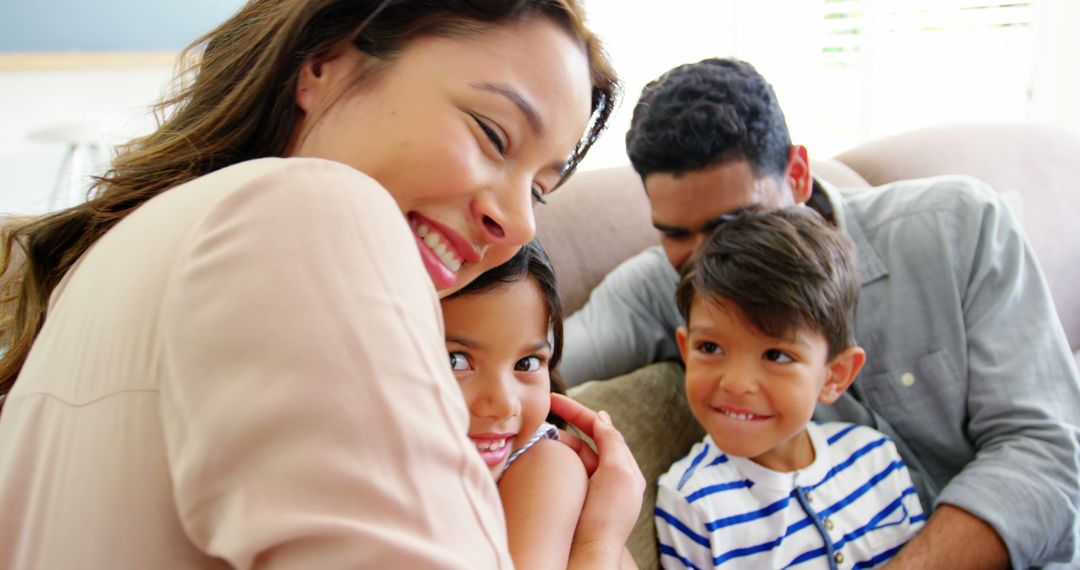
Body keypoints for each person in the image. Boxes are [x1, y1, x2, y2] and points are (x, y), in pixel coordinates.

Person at [0, 1, 646, 568]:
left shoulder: (107, 262)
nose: (517, 224)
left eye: (539, 189)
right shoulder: (308, 207)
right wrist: (595, 545)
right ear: (327, 61)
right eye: (492, 132)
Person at [560, 57, 1080, 568]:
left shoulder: (958, 227)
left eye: (734, 219)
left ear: (799, 175)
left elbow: (1048, 452)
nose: (705, 256)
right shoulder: (662, 285)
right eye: (675, 231)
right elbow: (539, 357)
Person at [655, 207, 924, 569]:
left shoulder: (875, 458)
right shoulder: (692, 500)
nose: (735, 383)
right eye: (711, 348)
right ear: (686, 350)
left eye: (777, 355)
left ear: (835, 376)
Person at [441, 239, 637, 569]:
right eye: (456, 360)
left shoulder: (545, 467)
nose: (503, 404)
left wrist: (600, 538)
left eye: (527, 363)